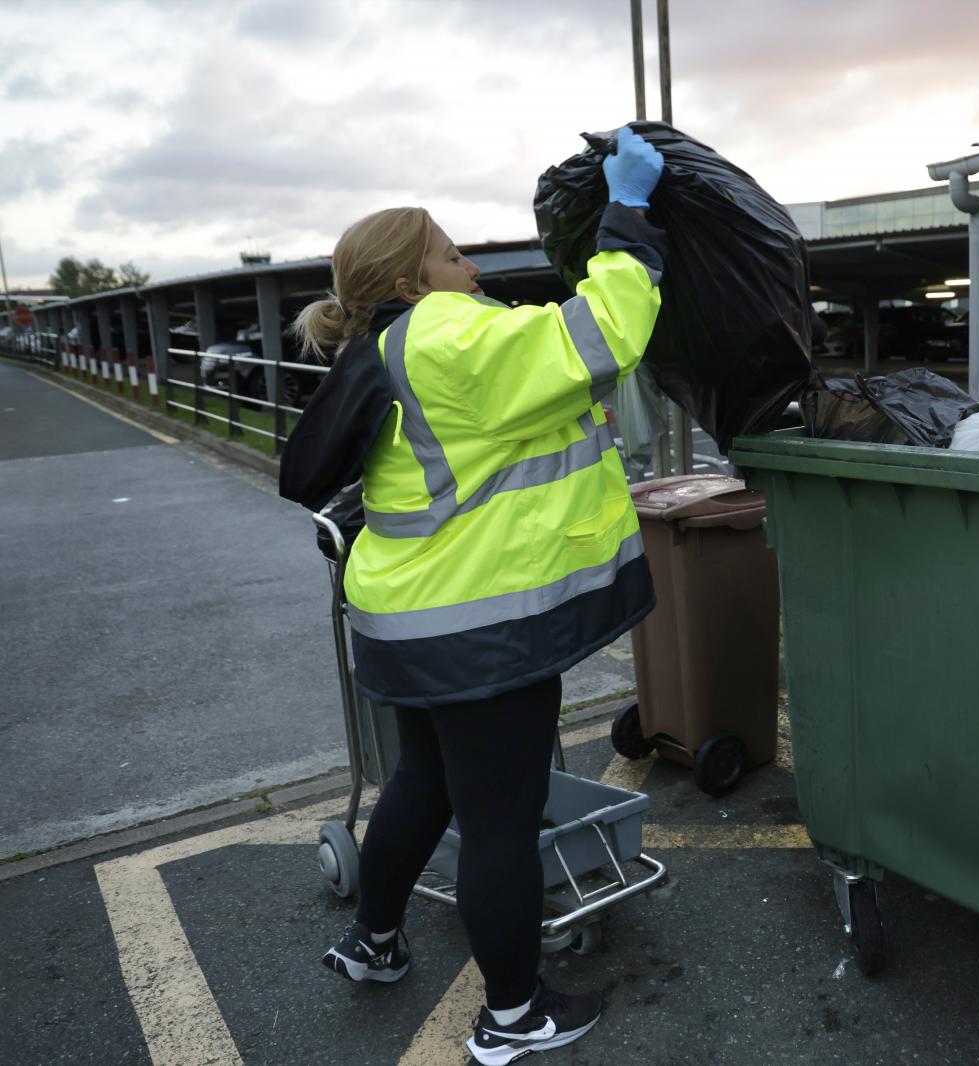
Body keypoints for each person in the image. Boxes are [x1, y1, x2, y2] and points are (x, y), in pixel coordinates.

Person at [278, 126, 667, 1063]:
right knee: (499, 821)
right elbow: (604, 332)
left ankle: (373, 944)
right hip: (480, 631)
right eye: (451, 252)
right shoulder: (450, 333)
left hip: (410, 623)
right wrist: (630, 215)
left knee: (425, 784)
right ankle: (513, 1018)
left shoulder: (390, 345)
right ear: (413, 281)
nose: (471, 264)